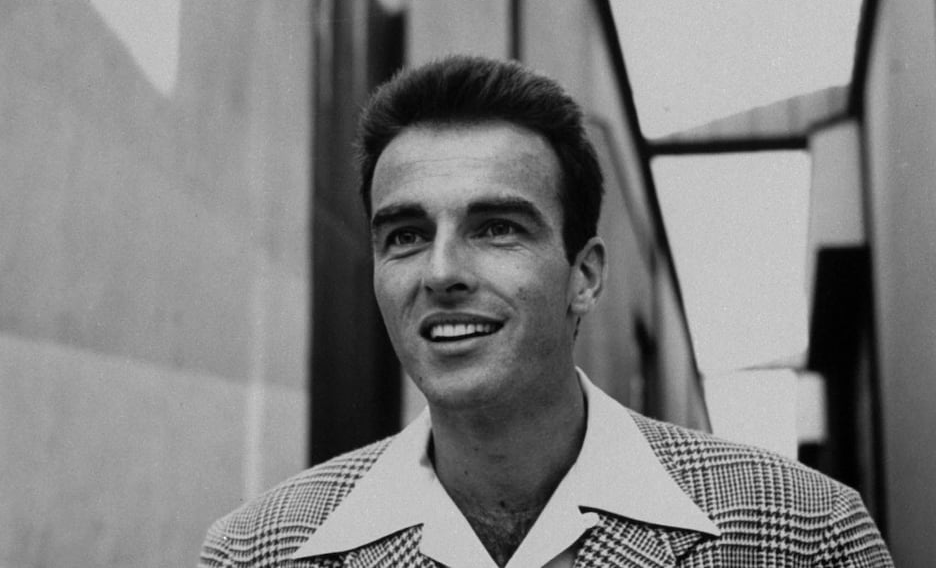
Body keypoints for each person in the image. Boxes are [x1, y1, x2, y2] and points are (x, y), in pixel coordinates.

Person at [199, 55, 892, 567]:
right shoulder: (260, 552)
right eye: (406, 235)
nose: (441, 272)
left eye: (496, 227)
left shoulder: (804, 534)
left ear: (584, 276)